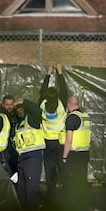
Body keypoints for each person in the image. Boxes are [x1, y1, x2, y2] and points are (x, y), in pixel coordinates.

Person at [60, 95, 92, 211]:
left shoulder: (71, 118)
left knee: (70, 188)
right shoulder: (85, 117)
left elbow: (69, 140)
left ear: (69, 104)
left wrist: (64, 157)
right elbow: (89, 139)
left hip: (73, 156)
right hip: (84, 155)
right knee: (81, 186)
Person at [38, 64, 68, 197]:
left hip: (47, 141)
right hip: (60, 141)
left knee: (49, 168)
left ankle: (51, 193)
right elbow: (64, 91)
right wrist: (59, 72)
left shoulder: (42, 104)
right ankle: (63, 190)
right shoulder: (61, 105)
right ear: (57, 97)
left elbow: (42, 90)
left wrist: (48, 73)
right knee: (62, 165)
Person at [13, 97, 45, 209]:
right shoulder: (18, 124)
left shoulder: (32, 120)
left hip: (33, 159)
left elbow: (38, 110)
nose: (20, 110)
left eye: (22, 108)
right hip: (21, 161)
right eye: (18, 108)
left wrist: (23, 101)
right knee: (22, 192)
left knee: (31, 192)